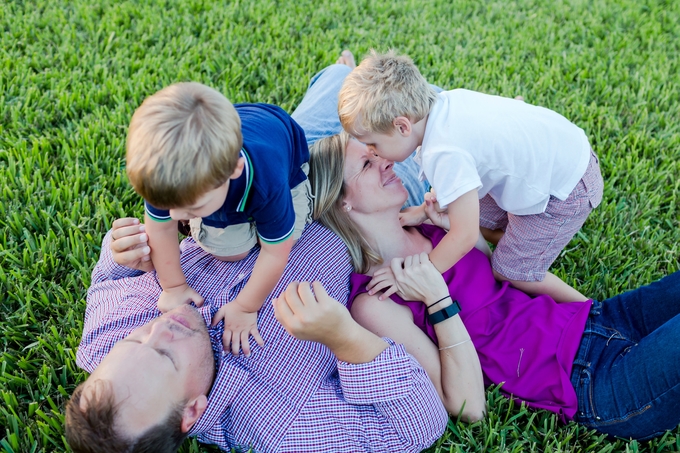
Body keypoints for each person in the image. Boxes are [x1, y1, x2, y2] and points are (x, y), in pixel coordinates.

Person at [64, 54, 448, 453]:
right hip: (359, 206)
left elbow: (108, 278)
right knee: (432, 116)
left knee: (338, 82)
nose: (162, 325)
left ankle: (345, 75)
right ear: (192, 412)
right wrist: (344, 337)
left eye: (135, 340)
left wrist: (121, 251)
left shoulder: (100, 346)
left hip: (276, 171)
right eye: (165, 354)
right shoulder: (281, 428)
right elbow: (419, 422)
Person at [308, 128, 680, 440]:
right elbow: (466, 405)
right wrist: (439, 300)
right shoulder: (376, 301)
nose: (386, 161)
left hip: (597, 320)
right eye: (367, 164)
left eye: (378, 153)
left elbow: (497, 278)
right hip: (588, 381)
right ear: (343, 203)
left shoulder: (428, 230)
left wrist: (457, 232)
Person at [337, 50, 604, 303]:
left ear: (402, 126)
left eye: (373, 145)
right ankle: (519, 239)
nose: (374, 154)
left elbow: (464, 237)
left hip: (564, 190)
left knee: (509, 270)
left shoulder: (444, 152)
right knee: (468, 214)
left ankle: (590, 309)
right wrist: (423, 211)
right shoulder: (445, 104)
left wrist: (416, 275)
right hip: (562, 152)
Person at [126, 82, 312, 354]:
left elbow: (275, 252)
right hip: (238, 141)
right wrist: (174, 286)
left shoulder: (267, 181)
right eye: (170, 206)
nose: (176, 217)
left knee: (289, 235)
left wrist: (245, 306)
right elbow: (160, 228)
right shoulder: (165, 173)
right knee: (229, 250)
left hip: (286, 152)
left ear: (233, 171)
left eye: (191, 207)